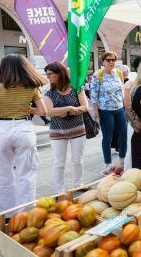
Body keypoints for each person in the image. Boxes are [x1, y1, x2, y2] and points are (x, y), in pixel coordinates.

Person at [0, 54, 47, 215]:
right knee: (27, 174)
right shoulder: (32, 87)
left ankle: (6, 214)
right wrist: (25, 107)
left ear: (4, 68)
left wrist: (0, 106)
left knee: (1, 173)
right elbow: (43, 111)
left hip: (1, 129)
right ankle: (27, 212)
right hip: (24, 129)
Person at [43, 62, 88, 193]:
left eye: (50, 74)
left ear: (59, 73)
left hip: (78, 130)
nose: (48, 77)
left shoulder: (77, 88)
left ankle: (78, 184)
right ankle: (59, 190)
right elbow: (49, 111)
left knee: (77, 160)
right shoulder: (49, 93)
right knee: (59, 162)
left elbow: (85, 107)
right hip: (58, 132)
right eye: (47, 74)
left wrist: (62, 111)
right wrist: (69, 109)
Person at [90, 51, 127, 168]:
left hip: (120, 109)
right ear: (103, 61)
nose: (111, 62)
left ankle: (122, 160)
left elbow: (121, 91)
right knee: (107, 136)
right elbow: (94, 95)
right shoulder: (98, 75)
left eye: (113, 60)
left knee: (124, 134)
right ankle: (108, 163)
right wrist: (96, 114)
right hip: (105, 110)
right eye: (108, 60)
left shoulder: (119, 73)